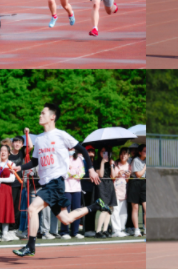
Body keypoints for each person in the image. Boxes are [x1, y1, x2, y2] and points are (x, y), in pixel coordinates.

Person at [10, 103, 108, 257]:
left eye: (43, 113)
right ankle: (96, 206)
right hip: (47, 184)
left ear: (52, 117)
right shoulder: (39, 139)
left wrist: (90, 169)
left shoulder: (61, 135)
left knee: (32, 209)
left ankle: (30, 246)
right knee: (66, 219)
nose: (40, 115)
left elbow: (82, 150)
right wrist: (19, 168)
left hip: (56, 182)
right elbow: (35, 161)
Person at [8, 135, 34, 239]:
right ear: (12, 143)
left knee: (17, 208)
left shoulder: (22, 153)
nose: (17, 144)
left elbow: (31, 146)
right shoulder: (8, 154)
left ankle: (15, 229)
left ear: (22, 144)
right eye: (16, 142)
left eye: (20, 142)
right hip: (8, 184)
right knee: (9, 207)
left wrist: (28, 133)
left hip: (19, 184)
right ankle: (7, 229)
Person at [59, 148, 85, 240]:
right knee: (66, 210)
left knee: (77, 210)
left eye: (72, 148)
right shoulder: (63, 159)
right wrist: (75, 171)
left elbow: (82, 173)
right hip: (66, 188)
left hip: (77, 188)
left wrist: (71, 171)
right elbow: (63, 173)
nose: (71, 150)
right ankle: (64, 232)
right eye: (69, 148)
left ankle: (75, 232)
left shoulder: (79, 159)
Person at [94, 147, 117, 238]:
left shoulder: (111, 162)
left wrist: (111, 165)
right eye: (102, 151)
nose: (104, 153)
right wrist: (102, 163)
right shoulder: (97, 162)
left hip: (110, 185)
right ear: (99, 152)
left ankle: (105, 230)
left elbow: (113, 176)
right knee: (104, 208)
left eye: (106, 152)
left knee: (110, 209)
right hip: (102, 186)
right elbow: (101, 175)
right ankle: (98, 231)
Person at [128, 144, 146, 237]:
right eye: (144, 151)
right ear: (140, 152)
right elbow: (138, 174)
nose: (146, 153)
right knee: (135, 208)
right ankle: (136, 230)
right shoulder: (135, 160)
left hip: (144, 183)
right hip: (135, 183)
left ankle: (146, 229)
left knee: (146, 208)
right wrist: (145, 167)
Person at [111, 148, 130, 237]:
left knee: (123, 212)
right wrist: (118, 174)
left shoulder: (129, 166)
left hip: (124, 191)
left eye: (125, 154)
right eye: (121, 154)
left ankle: (121, 229)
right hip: (115, 190)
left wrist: (128, 176)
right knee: (115, 210)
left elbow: (128, 180)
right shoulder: (115, 164)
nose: (123, 156)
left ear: (128, 156)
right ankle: (116, 230)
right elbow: (112, 177)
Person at [82, 145, 97, 237]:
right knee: (86, 209)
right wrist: (92, 177)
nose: (91, 153)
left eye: (92, 151)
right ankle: (87, 229)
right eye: (89, 151)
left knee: (94, 209)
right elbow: (82, 175)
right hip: (86, 189)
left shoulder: (95, 162)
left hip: (95, 189)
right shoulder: (83, 162)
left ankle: (92, 228)